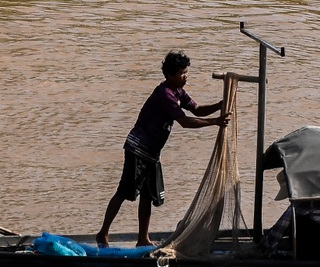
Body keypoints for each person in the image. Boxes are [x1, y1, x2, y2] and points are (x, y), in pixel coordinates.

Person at [96, 52, 228, 247]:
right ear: (170, 75)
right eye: (182, 73)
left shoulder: (178, 92)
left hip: (152, 153)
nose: (186, 76)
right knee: (125, 192)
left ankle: (143, 239)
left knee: (148, 196)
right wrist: (214, 122)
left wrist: (219, 105)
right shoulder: (165, 94)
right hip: (138, 148)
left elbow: (197, 109)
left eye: (186, 72)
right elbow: (184, 121)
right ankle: (103, 233)